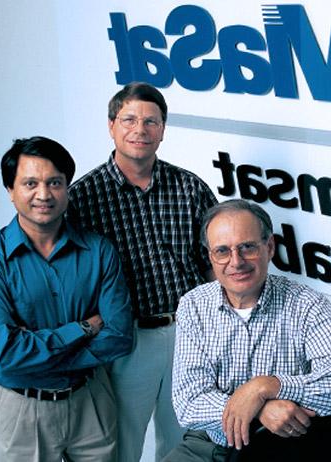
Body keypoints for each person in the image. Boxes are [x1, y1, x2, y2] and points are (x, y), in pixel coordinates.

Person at [67, 81, 218, 461]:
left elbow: (214, 260)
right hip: (127, 339)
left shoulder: (190, 187)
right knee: (122, 440)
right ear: (111, 125)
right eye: (130, 119)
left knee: (184, 436)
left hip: (190, 332)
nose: (140, 130)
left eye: (151, 121)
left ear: (163, 129)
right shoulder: (83, 197)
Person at [164, 199, 331, 462]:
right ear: (210, 257)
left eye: (247, 247)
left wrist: (269, 386)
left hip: (282, 446)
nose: (236, 262)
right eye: (222, 251)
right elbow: (189, 404)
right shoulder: (193, 305)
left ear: (270, 247)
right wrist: (259, 407)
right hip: (211, 444)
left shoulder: (306, 304)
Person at [0, 136, 133, 462]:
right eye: (30, 183)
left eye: (54, 182)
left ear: (67, 188)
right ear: (11, 192)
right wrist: (83, 328)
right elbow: (5, 356)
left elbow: (119, 337)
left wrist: (38, 356)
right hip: (23, 409)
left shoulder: (99, 251)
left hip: (91, 400)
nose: (43, 194)